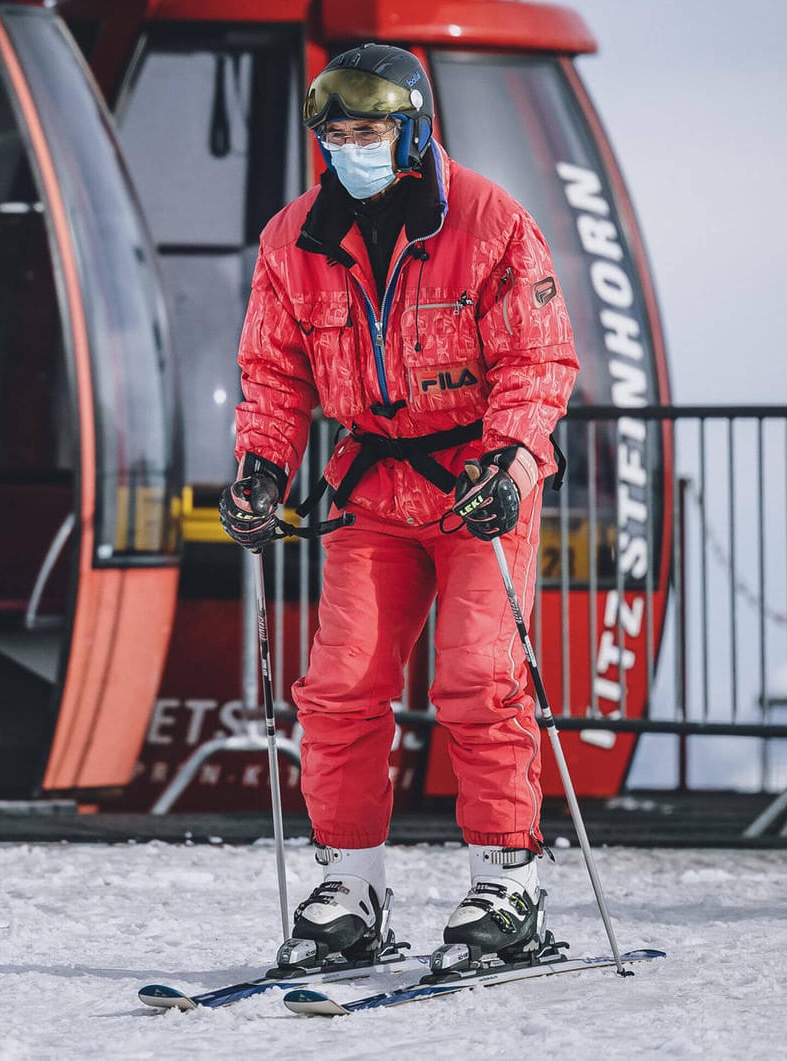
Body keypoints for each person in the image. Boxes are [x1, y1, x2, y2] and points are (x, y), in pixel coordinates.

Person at [220, 44, 577, 962]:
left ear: (412, 130)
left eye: (369, 131)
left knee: (477, 680)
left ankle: (508, 886)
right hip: (373, 490)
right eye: (335, 135)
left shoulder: (491, 222)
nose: (350, 149)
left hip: (474, 487)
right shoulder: (292, 239)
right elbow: (273, 371)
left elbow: (536, 362)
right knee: (339, 687)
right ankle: (355, 885)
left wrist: (510, 465)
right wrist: (262, 467)